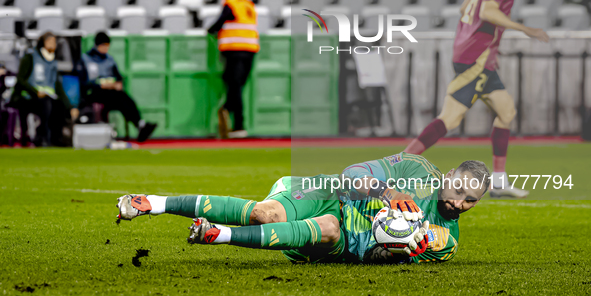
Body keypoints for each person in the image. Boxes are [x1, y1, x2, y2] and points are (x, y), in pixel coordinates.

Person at [116, 153, 490, 264]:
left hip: (342, 239)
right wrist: (388, 192)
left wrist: (394, 246)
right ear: (451, 173)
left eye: (469, 200)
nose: (458, 202)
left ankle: (218, 235)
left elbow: (377, 258)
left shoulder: (445, 241)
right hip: (331, 193)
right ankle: (154, 203)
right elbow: (353, 173)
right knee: (265, 214)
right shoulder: (415, 168)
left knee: (328, 228)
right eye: (458, 188)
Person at [404, 0, 550, 198]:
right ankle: (399, 166)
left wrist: (480, 39)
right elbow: (487, 12)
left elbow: (466, 8)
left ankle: (498, 182)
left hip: (477, 56)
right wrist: (524, 29)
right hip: (476, 60)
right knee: (449, 119)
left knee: (506, 111)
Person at [76, 32, 157, 143]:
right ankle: (139, 125)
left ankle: (140, 124)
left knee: (125, 98)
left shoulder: (109, 59)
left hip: (111, 93)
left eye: (107, 46)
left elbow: (118, 78)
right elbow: (83, 82)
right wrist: (100, 85)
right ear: (97, 45)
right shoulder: (86, 59)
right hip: (93, 93)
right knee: (118, 97)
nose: (106, 48)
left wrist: (117, 84)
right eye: (103, 45)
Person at [207, 0, 259, 139]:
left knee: (234, 86)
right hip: (250, 50)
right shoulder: (249, 4)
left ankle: (234, 119)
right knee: (237, 87)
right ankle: (233, 119)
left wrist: (209, 31)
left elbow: (220, 22)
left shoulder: (231, 3)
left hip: (234, 49)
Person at [10, 32, 79, 147]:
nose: (53, 44)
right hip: (28, 97)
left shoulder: (52, 62)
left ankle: (57, 139)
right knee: (46, 105)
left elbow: (57, 87)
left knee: (59, 106)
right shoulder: (30, 57)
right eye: (50, 42)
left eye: (54, 42)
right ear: (43, 43)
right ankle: (42, 137)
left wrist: (70, 106)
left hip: (47, 97)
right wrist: (36, 92)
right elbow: (21, 80)